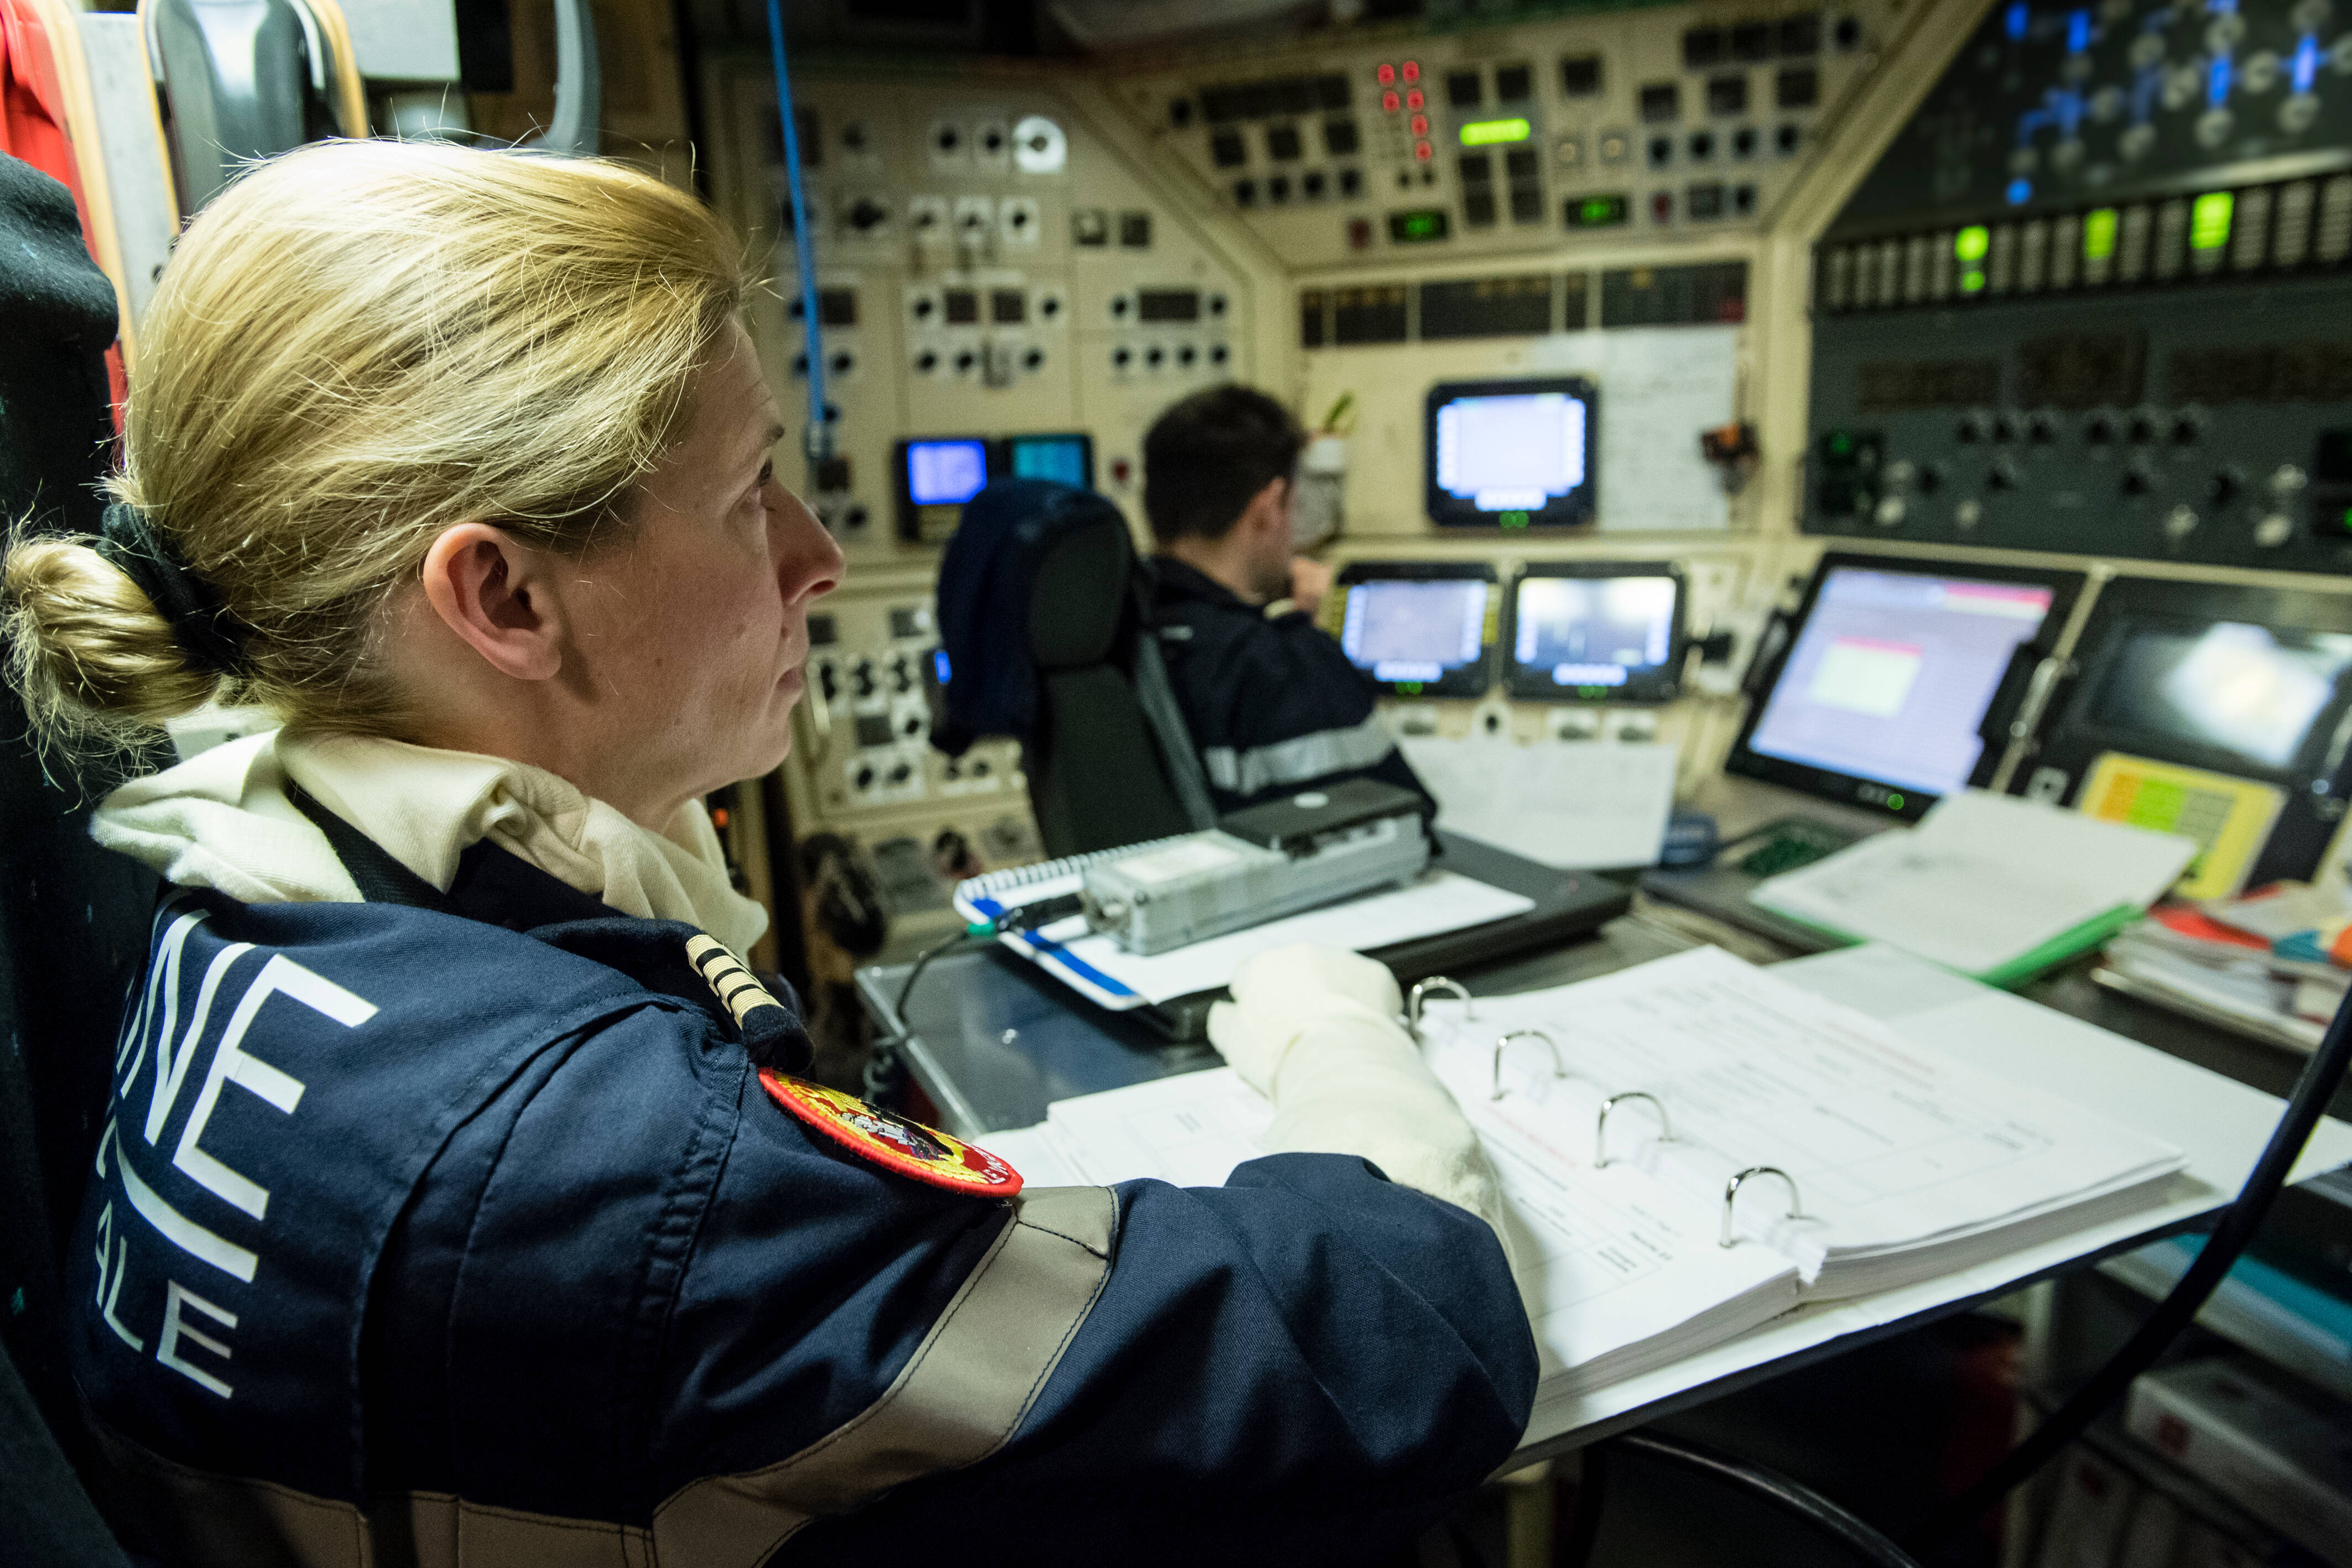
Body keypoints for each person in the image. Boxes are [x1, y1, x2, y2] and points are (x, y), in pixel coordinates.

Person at [0, 140, 1535, 1565]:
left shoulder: (229, 903)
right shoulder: (614, 1161)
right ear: (505, 600)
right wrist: (1335, 1030)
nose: (818, 556)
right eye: (748, 498)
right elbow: (1395, 1333)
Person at [1143, 384, 1435, 816]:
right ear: (1269, 506)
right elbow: (1410, 823)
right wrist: (1305, 652)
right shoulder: (1279, 666)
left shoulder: (1118, 630)